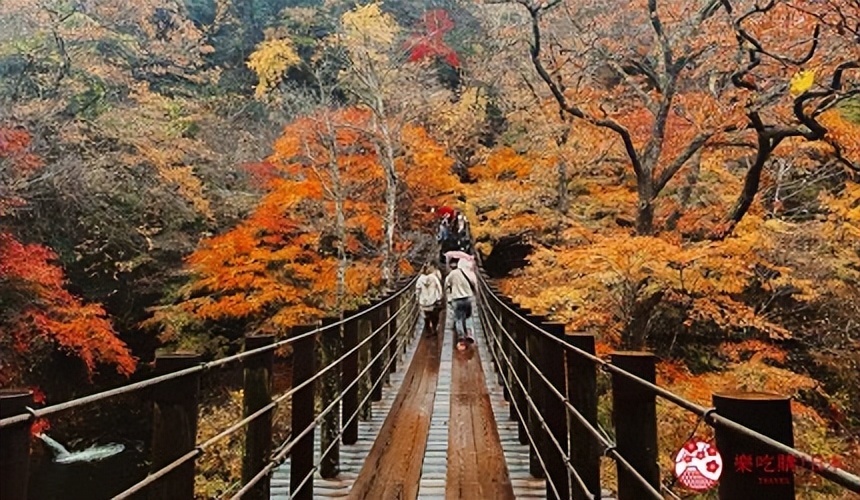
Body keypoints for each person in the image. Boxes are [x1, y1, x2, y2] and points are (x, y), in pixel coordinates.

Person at [445, 258, 475, 351]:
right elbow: (474, 283)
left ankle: (461, 337)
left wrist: (449, 294)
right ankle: (469, 333)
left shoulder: (452, 274)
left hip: (457, 298)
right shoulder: (468, 273)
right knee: (468, 317)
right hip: (468, 298)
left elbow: (446, 284)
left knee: (458, 319)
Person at [416, 264, 443, 337]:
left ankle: (428, 330)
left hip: (423, 302)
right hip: (432, 300)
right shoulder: (433, 278)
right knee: (434, 316)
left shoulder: (420, 279)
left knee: (426, 317)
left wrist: (417, 299)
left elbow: (417, 290)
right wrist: (439, 297)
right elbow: (439, 287)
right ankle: (434, 328)